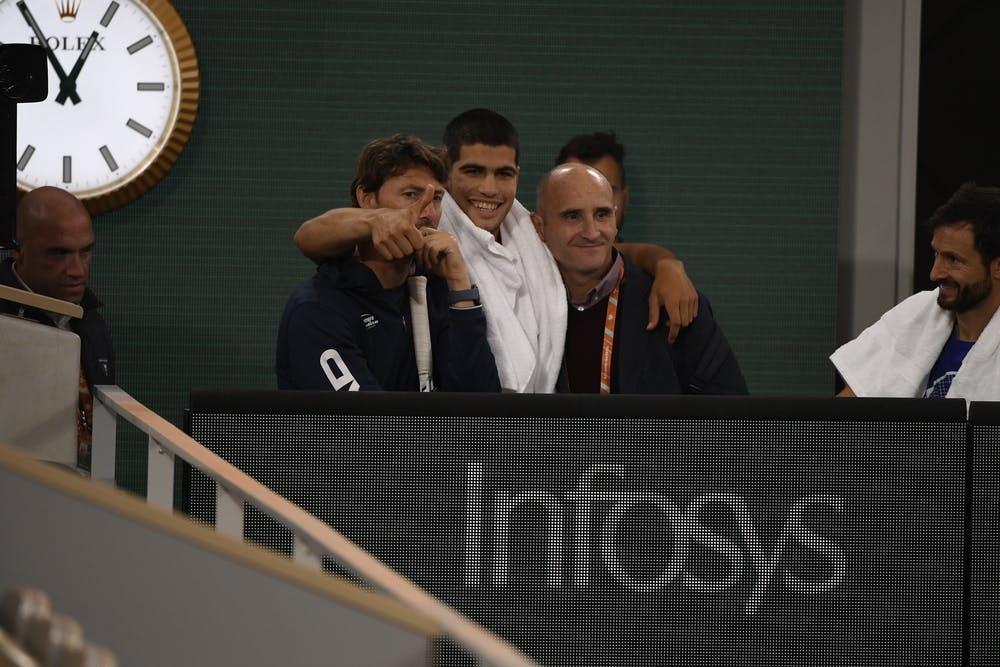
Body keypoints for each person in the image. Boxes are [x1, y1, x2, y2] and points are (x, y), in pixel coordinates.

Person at [294, 109, 699, 392]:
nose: (489, 189)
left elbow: (600, 248)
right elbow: (308, 235)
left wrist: (666, 263)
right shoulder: (427, 239)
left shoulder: (527, 231)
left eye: (502, 174)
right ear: (452, 176)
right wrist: (373, 222)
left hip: (512, 452)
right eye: (473, 172)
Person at [276, 134, 500, 392]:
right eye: (410, 194)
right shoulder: (318, 310)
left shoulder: (435, 289)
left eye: (436, 198)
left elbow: (481, 406)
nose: (427, 212)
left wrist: (460, 285)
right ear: (366, 198)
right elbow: (370, 428)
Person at [531, 163, 747, 394]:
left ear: (615, 219)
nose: (592, 231)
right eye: (573, 216)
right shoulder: (525, 303)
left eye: (602, 214)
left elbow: (734, 419)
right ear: (539, 227)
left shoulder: (673, 305)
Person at [831, 182, 1000, 399]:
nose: (935, 273)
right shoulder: (914, 315)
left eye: (953, 259)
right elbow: (846, 410)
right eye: (936, 255)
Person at [0, 186, 115, 469]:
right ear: (19, 252)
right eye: (58, 253)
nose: (76, 270)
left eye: (85, 252)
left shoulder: (90, 322)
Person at [556, 131, 629, 238]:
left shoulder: (650, 255)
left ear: (625, 199)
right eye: (576, 193)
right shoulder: (531, 254)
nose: (591, 206)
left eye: (605, 193)